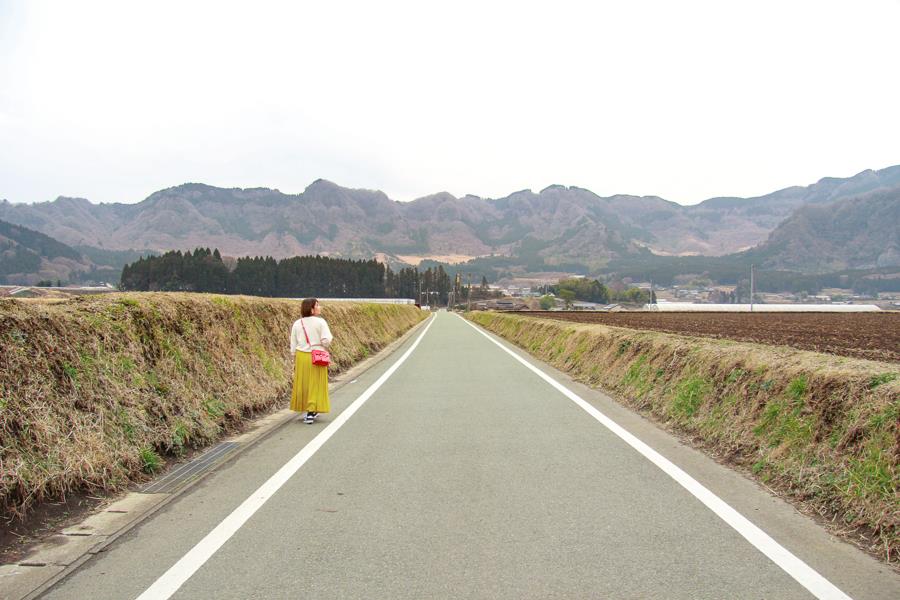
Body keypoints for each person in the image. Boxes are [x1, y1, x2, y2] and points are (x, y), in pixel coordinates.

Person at [289, 298, 333, 424]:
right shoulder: (321, 322)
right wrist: (322, 344)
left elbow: (293, 343)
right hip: (316, 356)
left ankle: (308, 409)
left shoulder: (297, 323)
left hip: (301, 356)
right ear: (312, 309)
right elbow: (326, 340)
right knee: (316, 383)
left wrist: (294, 355)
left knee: (304, 383)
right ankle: (311, 411)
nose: (319, 307)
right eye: (317, 305)